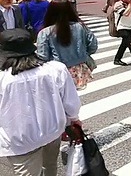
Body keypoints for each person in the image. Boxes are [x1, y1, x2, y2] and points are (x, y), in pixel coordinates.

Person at [0, 29, 82, 176]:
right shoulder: (55, 69)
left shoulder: (3, 78)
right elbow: (71, 102)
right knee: (50, 166)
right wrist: (74, 119)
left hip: (19, 139)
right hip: (51, 129)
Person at [37, 0, 98, 90]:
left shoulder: (45, 32)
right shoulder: (80, 26)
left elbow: (43, 56)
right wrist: (82, 54)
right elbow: (93, 46)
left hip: (58, 70)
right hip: (79, 68)